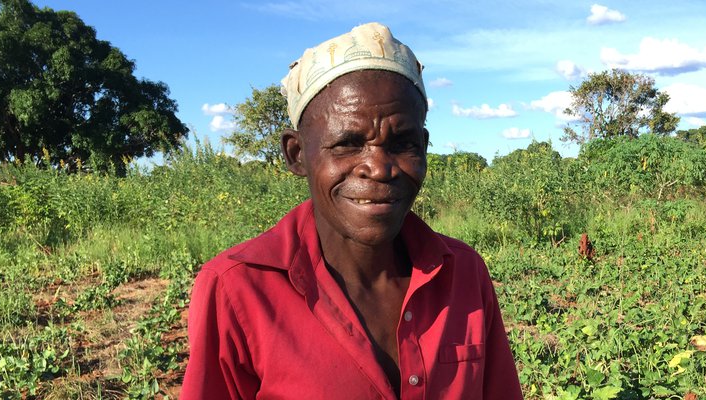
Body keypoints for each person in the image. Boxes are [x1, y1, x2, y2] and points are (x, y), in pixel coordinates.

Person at [180, 23, 523, 399]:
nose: (379, 167)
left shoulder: (463, 272)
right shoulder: (237, 287)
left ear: (424, 147)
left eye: (402, 143)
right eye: (347, 143)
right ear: (297, 155)